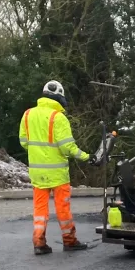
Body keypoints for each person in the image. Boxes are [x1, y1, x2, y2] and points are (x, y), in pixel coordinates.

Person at [19, 80, 96, 255]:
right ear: (59, 97)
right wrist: (86, 156)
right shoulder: (58, 117)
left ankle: (39, 243)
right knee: (63, 208)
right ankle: (69, 241)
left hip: (37, 172)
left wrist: (39, 152)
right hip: (58, 173)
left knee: (40, 210)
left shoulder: (28, 114)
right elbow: (67, 147)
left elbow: (24, 142)